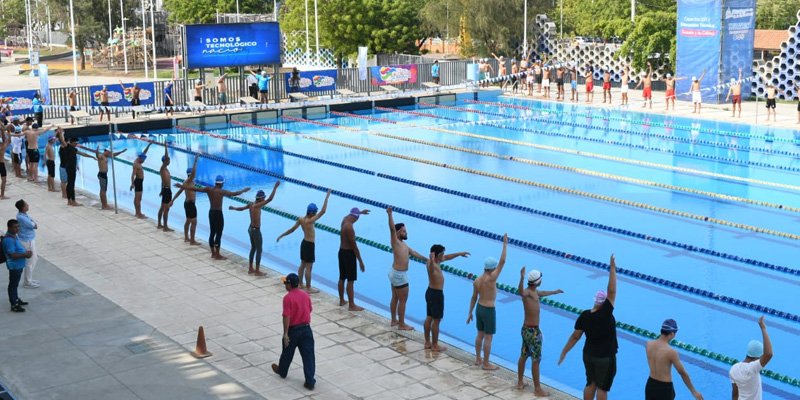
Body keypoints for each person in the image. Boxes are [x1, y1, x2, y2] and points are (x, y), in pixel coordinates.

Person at [558, 254, 619, 400]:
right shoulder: (605, 313)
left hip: (588, 355)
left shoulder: (585, 315)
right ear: (604, 303)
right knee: (602, 389)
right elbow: (612, 291)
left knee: (590, 383)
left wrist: (565, 351)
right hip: (604, 357)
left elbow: (575, 336)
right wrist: (612, 267)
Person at [177, 175, 250, 260]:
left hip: (211, 213)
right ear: (221, 183)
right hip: (218, 213)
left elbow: (195, 189)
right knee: (218, 233)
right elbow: (234, 194)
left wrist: (182, 186)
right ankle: (218, 254)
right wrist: (244, 190)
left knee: (212, 233)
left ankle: (213, 253)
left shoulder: (209, 189)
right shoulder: (222, 192)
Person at [516, 266, 564, 396]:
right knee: (536, 360)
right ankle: (537, 389)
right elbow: (520, 292)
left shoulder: (534, 292)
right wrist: (521, 277)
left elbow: (542, 293)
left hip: (526, 330)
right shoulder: (527, 293)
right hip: (533, 333)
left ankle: (520, 382)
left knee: (524, 355)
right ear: (538, 281)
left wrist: (554, 292)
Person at [276, 190, 332, 292]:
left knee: (302, 265)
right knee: (309, 268)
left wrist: (282, 235)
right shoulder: (310, 220)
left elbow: (292, 229)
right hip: (309, 245)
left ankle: (301, 284)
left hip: (304, 244)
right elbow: (323, 211)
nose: (315, 213)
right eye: (314, 212)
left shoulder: (301, 219)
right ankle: (308, 287)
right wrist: (326, 198)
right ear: (311, 212)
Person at [467, 233, 508, 370]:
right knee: (488, 337)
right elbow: (503, 262)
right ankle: (486, 363)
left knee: (480, 334)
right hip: (489, 310)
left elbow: (473, 297)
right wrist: (505, 244)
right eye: (495, 268)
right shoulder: (492, 278)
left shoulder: (477, 280)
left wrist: (470, 312)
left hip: (479, 308)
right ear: (492, 269)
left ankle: (478, 358)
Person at [271, 273, 316, 391]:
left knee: (287, 352)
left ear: (290, 285)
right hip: (306, 329)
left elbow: (286, 316)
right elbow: (310, 309)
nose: (285, 284)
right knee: (308, 356)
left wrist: (285, 334)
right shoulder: (305, 294)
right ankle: (310, 381)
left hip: (293, 330)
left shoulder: (288, 298)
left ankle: (282, 371)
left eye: (286, 283)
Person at [386, 207, 427, 330]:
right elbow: (392, 228)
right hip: (399, 275)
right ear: (398, 232)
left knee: (395, 297)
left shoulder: (404, 245)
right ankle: (402, 324)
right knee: (402, 300)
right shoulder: (396, 242)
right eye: (404, 231)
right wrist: (390, 214)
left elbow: (414, 253)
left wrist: (427, 260)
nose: (406, 233)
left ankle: (394, 320)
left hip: (394, 273)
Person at [424, 244, 469, 352]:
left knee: (429, 317)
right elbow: (430, 270)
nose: (443, 255)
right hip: (436, 294)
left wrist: (459, 254)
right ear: (436, 255)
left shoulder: (436, 261)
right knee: (436, 320)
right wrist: (431, 259)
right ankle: (435, 345)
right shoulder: (432, 264)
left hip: (430, 292)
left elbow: (448, 257)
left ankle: (427, 342)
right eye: (442, 254)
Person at [228, 181, 280, 275]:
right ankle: (257, 271)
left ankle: (250, 268)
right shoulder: (257, 205)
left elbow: (242, 208)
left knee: (253, 248)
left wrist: (234, 208)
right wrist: (275, 187)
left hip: (250, 229)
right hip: (256, 230)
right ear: (261, 199)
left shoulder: (251, 204)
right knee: (259, 250)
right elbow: (270, 199)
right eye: (263, 198)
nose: (264, 199)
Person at [644, 319, 704, 400]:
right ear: (672, 333)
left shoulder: (648, 344)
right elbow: (682, 373)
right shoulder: (671, 352)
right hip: (664, 389)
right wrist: (694, 392)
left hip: (650, 385)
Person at [730, 316, 773, 400]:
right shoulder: (753, 368)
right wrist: (763, 329)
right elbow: (769, 354)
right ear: (758, 357)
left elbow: (735, 395)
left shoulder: (733, 369)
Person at [338, 207, 369, 311]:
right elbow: (354, 246)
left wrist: (361, 212)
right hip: (348, 254)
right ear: (355, 218)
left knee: (342, 277)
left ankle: (342, 300)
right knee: (350, 280)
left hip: (341, 252)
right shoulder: (349, 227)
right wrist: (360, 261)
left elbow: (354, 214)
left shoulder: (344, 219)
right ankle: (352, 305)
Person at [57, 129, 95, 206]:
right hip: (70, 168)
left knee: (69, 185)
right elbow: (62, 140)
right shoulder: (67, 147)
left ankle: (69, 201)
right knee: (71, 185)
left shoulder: (74, 149)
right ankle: (73, 201)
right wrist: (61, 133)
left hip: (70, 168)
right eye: (76, 143)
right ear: (72, 142)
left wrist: (91, 156)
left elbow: (82, 153)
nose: (77, 144)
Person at [169, 156, 201, 245]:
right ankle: (192, 241)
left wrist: (173, 200)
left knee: (188, 221)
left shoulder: (186, 182)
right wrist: (195, 161)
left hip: (187, 204)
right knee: (194, 222)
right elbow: (194, 174)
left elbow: (179, 192)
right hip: (190, 204)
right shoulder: (189, 181)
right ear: (190, 175)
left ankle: (187, 238)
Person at [3, 219, 32, 312]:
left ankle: (16, 299)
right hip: (14, 266)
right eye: (15, 227)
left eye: (18, 227)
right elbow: (12, 255)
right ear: (9, 227)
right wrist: (25, 254)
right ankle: (14, 304)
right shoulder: (8, 240)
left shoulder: (13, 236)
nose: (17, 229)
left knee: (15, 284)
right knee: (13, 285)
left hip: (18, 265)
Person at [94, 145, 126, 210]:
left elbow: (114, 155)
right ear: (106, 151)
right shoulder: (101, 156)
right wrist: (96, 150)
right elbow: (97, 156)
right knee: (103, 190)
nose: (110, 153)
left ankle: (105, 204)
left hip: (104, 174)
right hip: (102, 174)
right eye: (109, 152)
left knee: (104, 190)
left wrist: (121, 152)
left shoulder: (106, 155)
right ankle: (104, 205)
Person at [15, 199, 39, 289]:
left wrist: (33, 223)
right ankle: (27, 282)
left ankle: (29, 279)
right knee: (29, 261)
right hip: (26, 241)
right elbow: (33, 225)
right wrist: (33, 223)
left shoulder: (24, 215)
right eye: (26, 204)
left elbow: (32, 222)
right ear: (23, 207)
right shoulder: (21, 217)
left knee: (35, 259)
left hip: (30, 239)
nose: (28, 205)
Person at [130, 142, 153, 218]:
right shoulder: (136, 165)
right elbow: (133, 175)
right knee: (138, 198)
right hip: (138, 182)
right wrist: (132, 184)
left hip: (139, 181)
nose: (144, 161)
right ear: (140, 159)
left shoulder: (138, 160)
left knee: (137, 198)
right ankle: (138, 213)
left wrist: (149, 145)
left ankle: (137, 212)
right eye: (143, 160)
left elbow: (144, 152)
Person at [157, 145, 174, 231]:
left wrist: (161, 190)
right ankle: (165, 227)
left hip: (165, 189)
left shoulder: (165, 170)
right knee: (166, 209)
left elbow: (162, 181)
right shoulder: (163, 168)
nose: (169, 161)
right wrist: (166, 147)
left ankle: (160, 224)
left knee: (162, 207)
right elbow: (166, 157)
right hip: (167, 190)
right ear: (165, 161)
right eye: (168, 160)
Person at [0, 127, 10, 199]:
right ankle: (2, 195)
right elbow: (8, 140)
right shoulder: (3, 147)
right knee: (4, 180)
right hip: (1, 164)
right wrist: (7, 131)